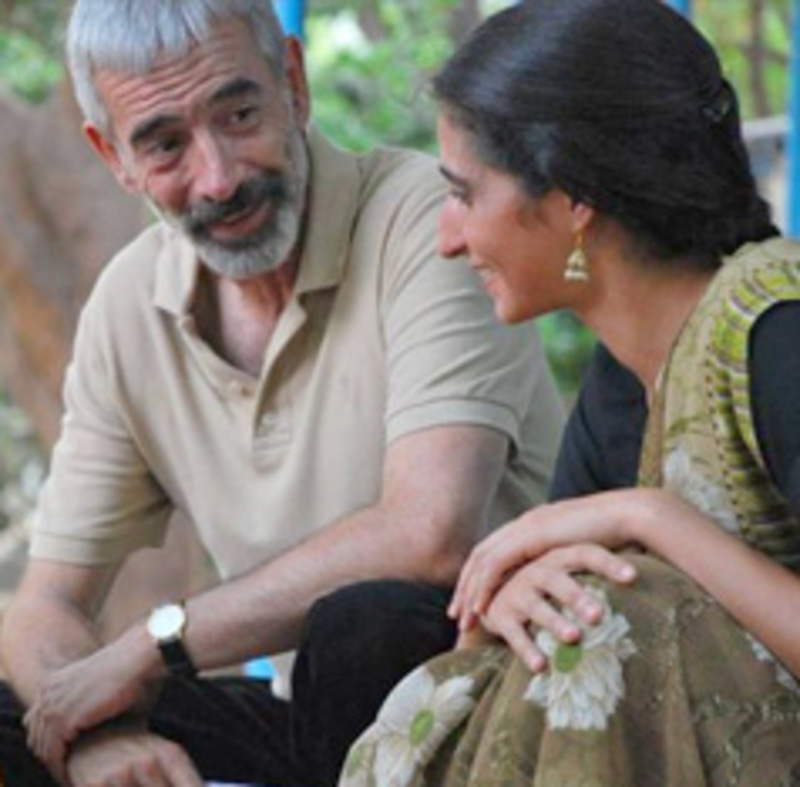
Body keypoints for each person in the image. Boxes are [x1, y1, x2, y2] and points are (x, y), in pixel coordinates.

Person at [0, 1, 567, 785]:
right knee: (21, 708)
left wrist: (155, 644)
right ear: (113, 157)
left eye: (239, 114)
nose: (220, 177)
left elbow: (429, 534)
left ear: (293, 84)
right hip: (315, 731)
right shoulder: (129, 305)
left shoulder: (427, 221)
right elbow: (43, 607)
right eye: (165, 144)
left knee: (369, 622)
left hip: (500, 699)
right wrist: (102, 739)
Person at [341, 1, 800, 784]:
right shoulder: (618, 389)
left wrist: (648, 517)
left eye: (465, 194)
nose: (448, 238)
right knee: (368, 627)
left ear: (573, 198)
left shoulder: (777, 334)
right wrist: (514, 602)